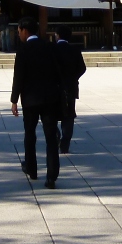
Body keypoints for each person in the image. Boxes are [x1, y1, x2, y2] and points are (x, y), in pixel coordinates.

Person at [10, 17, 63, 188]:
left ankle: (32, 169)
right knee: (51, 137)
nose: (19, 35)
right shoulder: (50, 47)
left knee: (30, 134)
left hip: (30, 99)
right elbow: (59, 71)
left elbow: (18, 76)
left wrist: (14, 100)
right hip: (50, 98)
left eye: (19, 31)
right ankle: (51, 176)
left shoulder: (23, 50)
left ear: (25, 30)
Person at [53, 26, 87, 154]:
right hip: (70, 88)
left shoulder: (52, 49)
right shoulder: (75, 50)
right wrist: (73, 77)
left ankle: (55, 134)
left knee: (51, 114)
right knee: (69, 115)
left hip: (54, 87)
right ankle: (65, 143)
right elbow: (82, 68)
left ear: (57, 35)